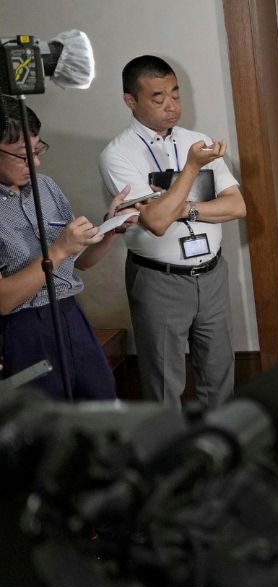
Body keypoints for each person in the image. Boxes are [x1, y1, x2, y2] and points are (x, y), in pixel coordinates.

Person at [99, 55, 246, 407]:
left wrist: (186, 208)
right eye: (158, 97)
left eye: (175, 94)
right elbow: (157, 223)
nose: (172, 106)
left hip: (211, 273)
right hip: (158, 280)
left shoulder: (195, 139)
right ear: (130, 101)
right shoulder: (119, 155)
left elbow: (236, 206)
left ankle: (222, 454)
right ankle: (168, 458)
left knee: (219, 372)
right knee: (164, 382)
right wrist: (193, 168)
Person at [0, 99, 130, 401]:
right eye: (23, 156)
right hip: (23, 327)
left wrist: (110, 229)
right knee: (46, 423)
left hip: (71, 312)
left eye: (37, 150)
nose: (36, 163)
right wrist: (58, 251)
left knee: (102, 401)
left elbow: (80, 262)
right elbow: (4, 301)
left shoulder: (45, 187)